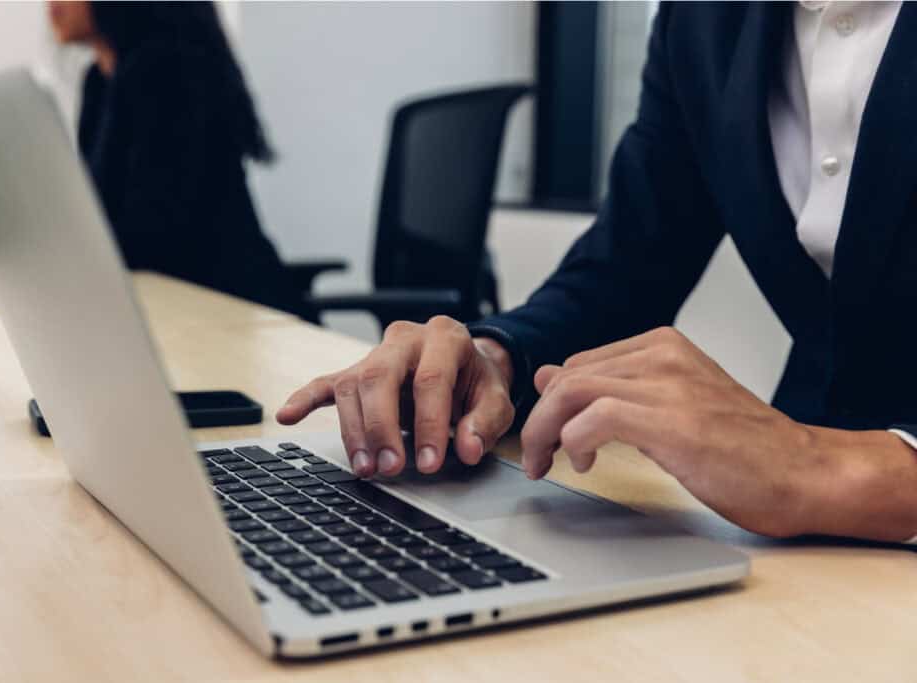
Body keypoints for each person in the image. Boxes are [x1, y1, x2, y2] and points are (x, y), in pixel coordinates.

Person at [277, 1, 917, 544]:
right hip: (802, 549)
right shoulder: (701, 20)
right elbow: (625, 270)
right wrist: (491, 357)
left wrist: (820, 467)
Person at [0, 1, 302, 316]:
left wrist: (1, 240)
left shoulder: (170, 72)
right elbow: (101, 224)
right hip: (165, 309)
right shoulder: (99, 81)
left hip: (229, 310)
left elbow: (144, 241)